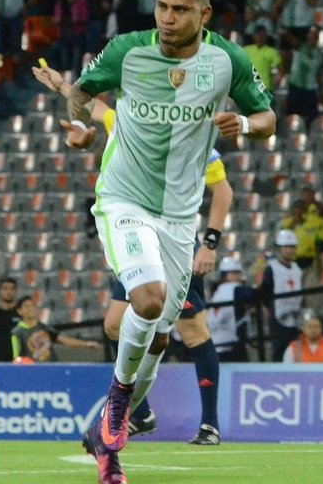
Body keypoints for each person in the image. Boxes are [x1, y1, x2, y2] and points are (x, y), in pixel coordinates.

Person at [59, 0, 275, 484]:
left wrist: (244, 123)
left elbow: (268, 120)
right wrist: (82, 128)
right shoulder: (126, 50)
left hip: (180, 217)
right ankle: (117, 410)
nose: (168, 18)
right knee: (149, 300)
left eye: (181, 9)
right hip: (123, 198)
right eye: (162, 7)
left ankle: (113, 427)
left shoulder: (227, 61)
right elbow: (81, 92)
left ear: (204, 13)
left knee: (159, 336)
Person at [33, 60, 233, 446]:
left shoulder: (189, 136)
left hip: (171, 241)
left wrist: (209, 242)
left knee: (191, 331)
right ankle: (139, 413)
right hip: (132, 236)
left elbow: (222, 191)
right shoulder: (126, 121)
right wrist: (61, 85)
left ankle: (208, 423)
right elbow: (92, 106)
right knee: (113, 324)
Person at [257, 230, 304, 362]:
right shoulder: (272, 268)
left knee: (295, 351)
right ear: (279, 249)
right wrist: (269, 308)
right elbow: (264, 291)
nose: (290, 250)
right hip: (278, 316)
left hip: (295, 317)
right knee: (279, 350)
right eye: (286, 247)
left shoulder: (297, 268)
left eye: (292, 247)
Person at [11, 295, 102, 362]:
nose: (31, 309)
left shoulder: (43, 327)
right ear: (19, 311)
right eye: (27, 306)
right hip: (33, 373)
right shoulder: (17, 332)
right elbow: (17, 358)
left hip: (52, 369)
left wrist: (86, 344)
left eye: (32, 305)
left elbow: (62, 339)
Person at [207, 256, 255, 362]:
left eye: (238, 273)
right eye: (233, 274)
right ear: (225, 276)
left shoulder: (219, 291)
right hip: (228, 344)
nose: (237, 277)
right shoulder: (231, 288)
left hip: (218, 342)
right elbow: (252, 294)